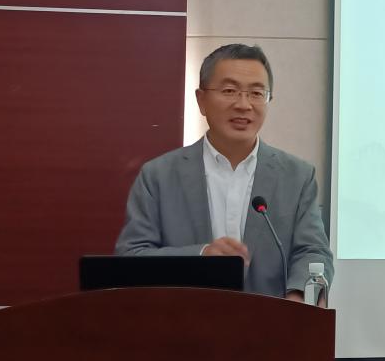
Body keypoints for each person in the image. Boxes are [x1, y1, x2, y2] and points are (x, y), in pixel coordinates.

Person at [115, 44, 333, 301]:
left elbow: (313, 253)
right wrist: (201, 256)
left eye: (256, 93)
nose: (244, 105)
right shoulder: (158, 176)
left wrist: (299, 297)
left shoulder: (297, 177)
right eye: (229, 91)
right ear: (201, 100)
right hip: (182, 319)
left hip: (271, 322)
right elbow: (131, 256)